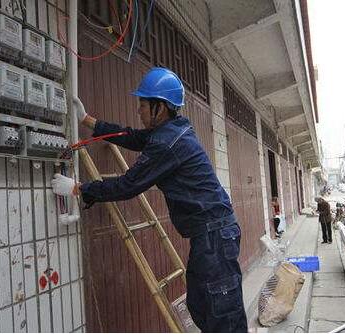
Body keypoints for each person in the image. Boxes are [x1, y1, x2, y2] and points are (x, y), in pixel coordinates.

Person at [51, 68, 248, 332]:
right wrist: (88, 120)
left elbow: (128, 185)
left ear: (161, 107)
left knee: (222, 313)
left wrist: (78, 188)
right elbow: (131, 136)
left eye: (143, 104)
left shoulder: (169, 142)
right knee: (201, 305)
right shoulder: (170, 131)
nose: (138, 110)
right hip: (211, 235)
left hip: (215, 236)